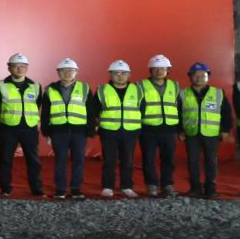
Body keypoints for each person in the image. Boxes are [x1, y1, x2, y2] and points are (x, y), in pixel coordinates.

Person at [39, 58, 93, 199]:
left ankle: (75, 189)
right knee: (60, 161)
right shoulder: (50, 90)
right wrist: (46, 132)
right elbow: (45, 113)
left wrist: (90, 130)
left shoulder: (85, 88)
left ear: (76, 72)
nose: (67, 73)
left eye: (71, 70)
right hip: (59, 132)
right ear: (58, 72)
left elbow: (91, 111)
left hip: (79, 132)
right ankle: (60, 190)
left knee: (78, 161)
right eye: (64, 70)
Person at [89, 59, 141, 198]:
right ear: (110, 74)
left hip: (130, 131)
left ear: (129, 74)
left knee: (128, 160)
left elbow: (143, 109)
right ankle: (107, 187)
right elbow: (94, 111)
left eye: (124, 73)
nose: (120, 76)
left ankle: (126, 186)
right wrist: (94, 127)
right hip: (108, 131)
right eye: (116, 73)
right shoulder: (102, 90)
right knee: (109, 160)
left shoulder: (137, 90)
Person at [0, 53, 44, 197]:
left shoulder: (35, 86)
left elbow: (37, 105)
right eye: (16, 66)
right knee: (5, 159)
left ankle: (36, 189)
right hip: (8, 128)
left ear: (27, 68)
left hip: (29, 128)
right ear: (9, 68)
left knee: (33, 160)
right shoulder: (0, 85)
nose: (20, 68)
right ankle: (5, 189)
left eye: (23, 66)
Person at [183, 62, 232, 198]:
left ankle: (211, 189)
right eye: (195, 75)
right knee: (193, 161)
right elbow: (177, 113)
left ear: (208, 77)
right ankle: (195, 188)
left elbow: (226, 113)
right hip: (191, 133)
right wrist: (180, 130)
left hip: (211, 134)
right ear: (190, 77)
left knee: (211, 161)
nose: (199, 77)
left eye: (202, 75)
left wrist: (225, 130)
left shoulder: (218, 93)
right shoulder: (183, 94)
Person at [138, 54, 180, 197]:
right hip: (148, 129)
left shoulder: (175, 86)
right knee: (148, 159)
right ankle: (151, 185)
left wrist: (180, 129)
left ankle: (167, 184)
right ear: (150, 70)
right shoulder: (140, 85)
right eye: (155, 68)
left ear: (168, 70)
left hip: (169, 129)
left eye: (163, 68)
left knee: (168, 159)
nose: (159, 71)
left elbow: (179, 107)